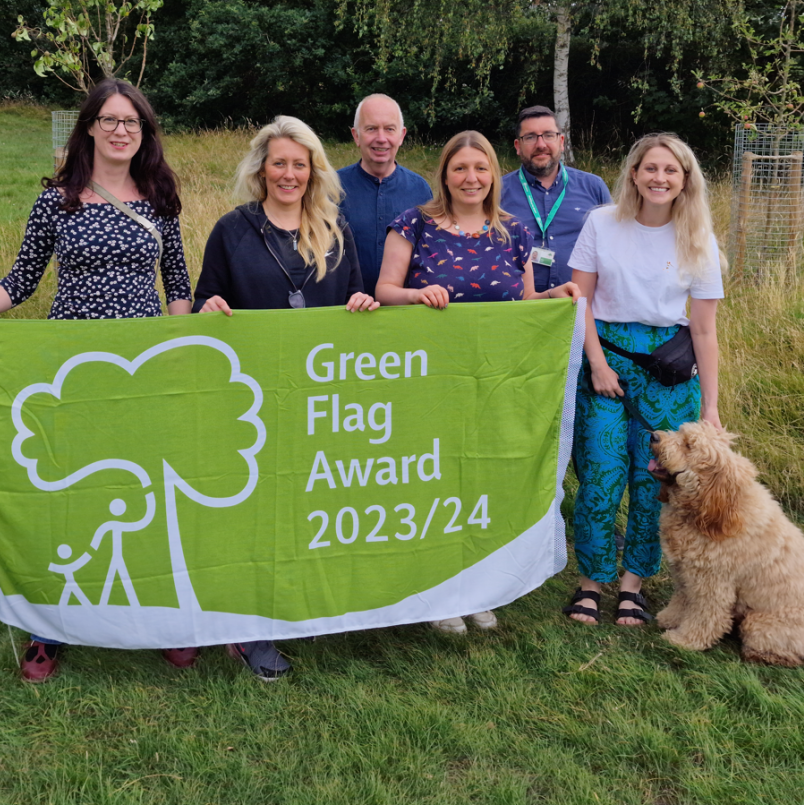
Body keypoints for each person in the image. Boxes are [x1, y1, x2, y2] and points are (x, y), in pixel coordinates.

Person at [0, 79, 194, 682]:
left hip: (140, 374)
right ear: (88, 127)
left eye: (132, 122)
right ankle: (50, 626)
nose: (121, 131)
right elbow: (18, 282)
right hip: (71, 373)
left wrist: (174, 352)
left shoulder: (161, 198)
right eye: (110, 120)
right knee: (66, 497)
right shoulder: (56, 201)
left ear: (145, 132)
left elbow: (178, 285)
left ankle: (159, 617)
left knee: (146, 493)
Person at [193, 115, 379, 679]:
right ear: (261, 168)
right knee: (257, 512)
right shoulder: (232, 230)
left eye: (301, 164)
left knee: (308, 504)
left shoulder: (335, 228)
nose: (290, 174)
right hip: (253, 398)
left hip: (320, 397)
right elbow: (204, 300)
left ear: (314, 171)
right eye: (280, 163)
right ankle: (250, 629)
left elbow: (357, 296)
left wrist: (363, 306)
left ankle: (300, 605)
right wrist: (210, 309)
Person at [374, 130, 579, 633]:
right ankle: (437, 592)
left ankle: (478, 587)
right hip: (431, 381)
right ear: (445, 174)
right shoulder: (414, 224)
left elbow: (522, 303)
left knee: (483, 484)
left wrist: (552, 298)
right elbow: (384, 289)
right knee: (435, 483)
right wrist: (416, 296)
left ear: (493, 174)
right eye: (460, 168)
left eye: (481, 168)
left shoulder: (514, 233)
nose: (471, 178)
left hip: (496, 383)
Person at [560, 132, 725, 628]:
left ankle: (633, 584)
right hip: (606, 363)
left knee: (654, 480)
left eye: (671, 170)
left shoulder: (698, 237)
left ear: (685, 180)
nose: (660, 178)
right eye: (651, 168)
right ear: (634, 174)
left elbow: (704, 329)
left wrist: (711, 408)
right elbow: (580, 301)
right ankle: (591, 581)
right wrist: (596, 364)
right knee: (600, 474)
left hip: (667, 372)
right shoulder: (602, 223)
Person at [499, 106, 613, 294]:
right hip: (518, 305)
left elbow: (613, 249)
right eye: (530, 137)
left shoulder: (594, 187)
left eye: (548, 135)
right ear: (518, 146)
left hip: (579, 302)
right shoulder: (497, 192)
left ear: (561, 142)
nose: (541, 144)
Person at [337, 94, 433, 291]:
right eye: (371, 129)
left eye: (389, 129)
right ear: (356, 135)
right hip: (345, 305)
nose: (381, 139)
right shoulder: (331, 188)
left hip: (405, 305)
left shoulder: (420, 190)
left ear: (401, 135)